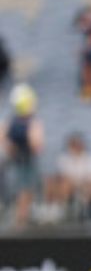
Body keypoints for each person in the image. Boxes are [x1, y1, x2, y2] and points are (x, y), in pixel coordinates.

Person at [5, 84, 44, 229]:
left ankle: (24, 219)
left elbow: (37, 146)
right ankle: (20, 220)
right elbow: (36, 145)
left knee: (28, 191)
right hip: (21, 162)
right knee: (23, 192)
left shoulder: (20, 122)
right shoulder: (19, 123)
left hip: (25, 161)